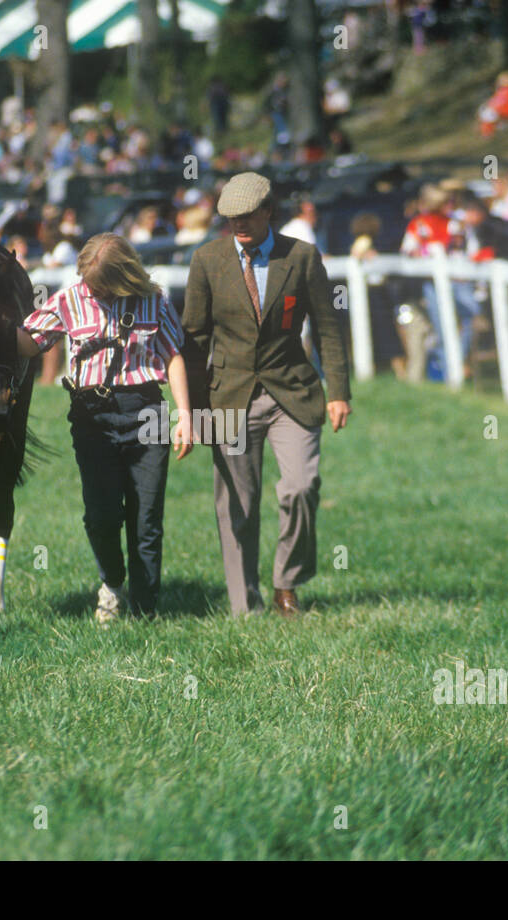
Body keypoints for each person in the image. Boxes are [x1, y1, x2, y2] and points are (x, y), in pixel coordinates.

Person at [181, 172, 352, 618]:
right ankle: (244, 604)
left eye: (246, 216)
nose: (237, 224)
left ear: (268, 212)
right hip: (228, 398)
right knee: (237, 503)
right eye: (229, 217)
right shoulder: (207, 260)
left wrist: (338, 391)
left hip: (292, 391)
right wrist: (193, 409)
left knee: (300, 487)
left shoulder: (302, 257)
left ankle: (287, 584)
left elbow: (328, 328)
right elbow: (195, 339)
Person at [16, 234, 194, 621]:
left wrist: (185, 415)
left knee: (146, 517)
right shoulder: (69, 299)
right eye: (88, 280)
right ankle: (112, 583)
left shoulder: (154, 299)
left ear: (123, 276)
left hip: (146, 410)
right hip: (91, 415)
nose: (91, 289)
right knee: (102, 513)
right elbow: (31, 343)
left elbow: (173, 356)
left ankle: (146, 608)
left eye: (100, 283)